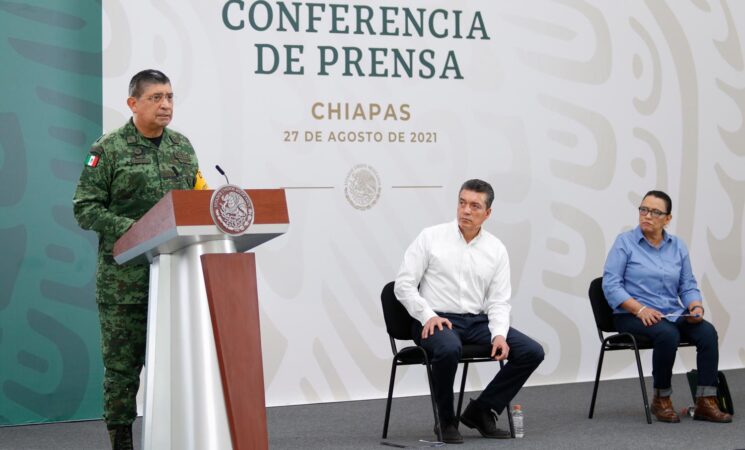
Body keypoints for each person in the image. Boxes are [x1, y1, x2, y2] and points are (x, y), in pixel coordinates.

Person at [73, 69, 208, 450]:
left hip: (175, 280)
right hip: (124, 285)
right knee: (122, 374)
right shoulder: (107, 149)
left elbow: (196, 199)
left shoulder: (183, 147)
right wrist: (139, 229)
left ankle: (178, 438)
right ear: (133, 103)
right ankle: (122, 442)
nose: (165, 105)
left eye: (169, 97)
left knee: (175, 369)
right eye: (155, 98)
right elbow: (85, 208)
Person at [394, 179, 545, 443]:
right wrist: (427, 315)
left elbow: (499, 300)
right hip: (434, 319)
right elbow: (403, 285)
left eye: (475, 206)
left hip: (477, 322)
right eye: (462, 203)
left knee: (531, 351)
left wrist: (498, 333)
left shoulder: (496, 249)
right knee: (449, 348)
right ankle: (445, 420)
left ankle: (482, 410)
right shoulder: (431, 237)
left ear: (487, 213)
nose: (466, 210)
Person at [602, 190, 732, 424]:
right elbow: (611, 285)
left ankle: (706, 401)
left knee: (706, 332)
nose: (647, 215)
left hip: (670, 313)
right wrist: (640, 309)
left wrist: (695, 306)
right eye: (643, 209)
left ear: (667, 218)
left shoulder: (678, 246)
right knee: (667, 334)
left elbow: (688, 284)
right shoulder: (625, 243)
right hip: (630, 314)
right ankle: (661, 399)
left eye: (654, 211)